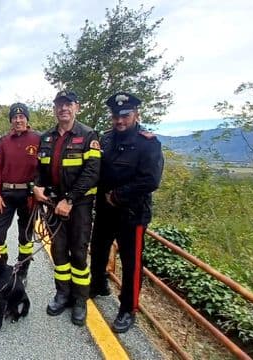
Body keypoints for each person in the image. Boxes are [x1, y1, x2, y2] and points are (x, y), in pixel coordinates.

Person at [90, 92, 164, 333]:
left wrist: (118, 196)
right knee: (99, 249)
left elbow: (151, 180)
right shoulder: (107, 139)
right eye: (115, 116)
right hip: (104, 210)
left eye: (125, 115)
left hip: (132, 214)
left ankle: (128, 309)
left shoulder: (148, 143)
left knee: (131, 263)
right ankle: (98, 284)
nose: (120, 120)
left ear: (135, 114)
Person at [32, 90, 100, 326]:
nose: (63, 108)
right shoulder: (47, 137)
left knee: (79, 253)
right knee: (58, 252)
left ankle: (80, 301)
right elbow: (40, 168)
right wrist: (36, 187)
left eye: (68, 104)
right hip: (52, 204)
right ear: (54, 109)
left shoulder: (88, 135)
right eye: (59, 105)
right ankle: (62, 294)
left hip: (78, 205)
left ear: (76, 108)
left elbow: (92, 172)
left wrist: (69, 199)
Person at [0, 103, 40, 279]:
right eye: (15, 117)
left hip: (28, 196)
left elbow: (43, 169)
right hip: (5, 195)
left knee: (25, 236)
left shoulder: (37, 139)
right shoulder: (3, 141)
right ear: (11, 120)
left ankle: (22, 269)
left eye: (21, 117)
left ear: (27, 119)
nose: (18, 120)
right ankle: (2, 266)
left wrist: (38, 193)